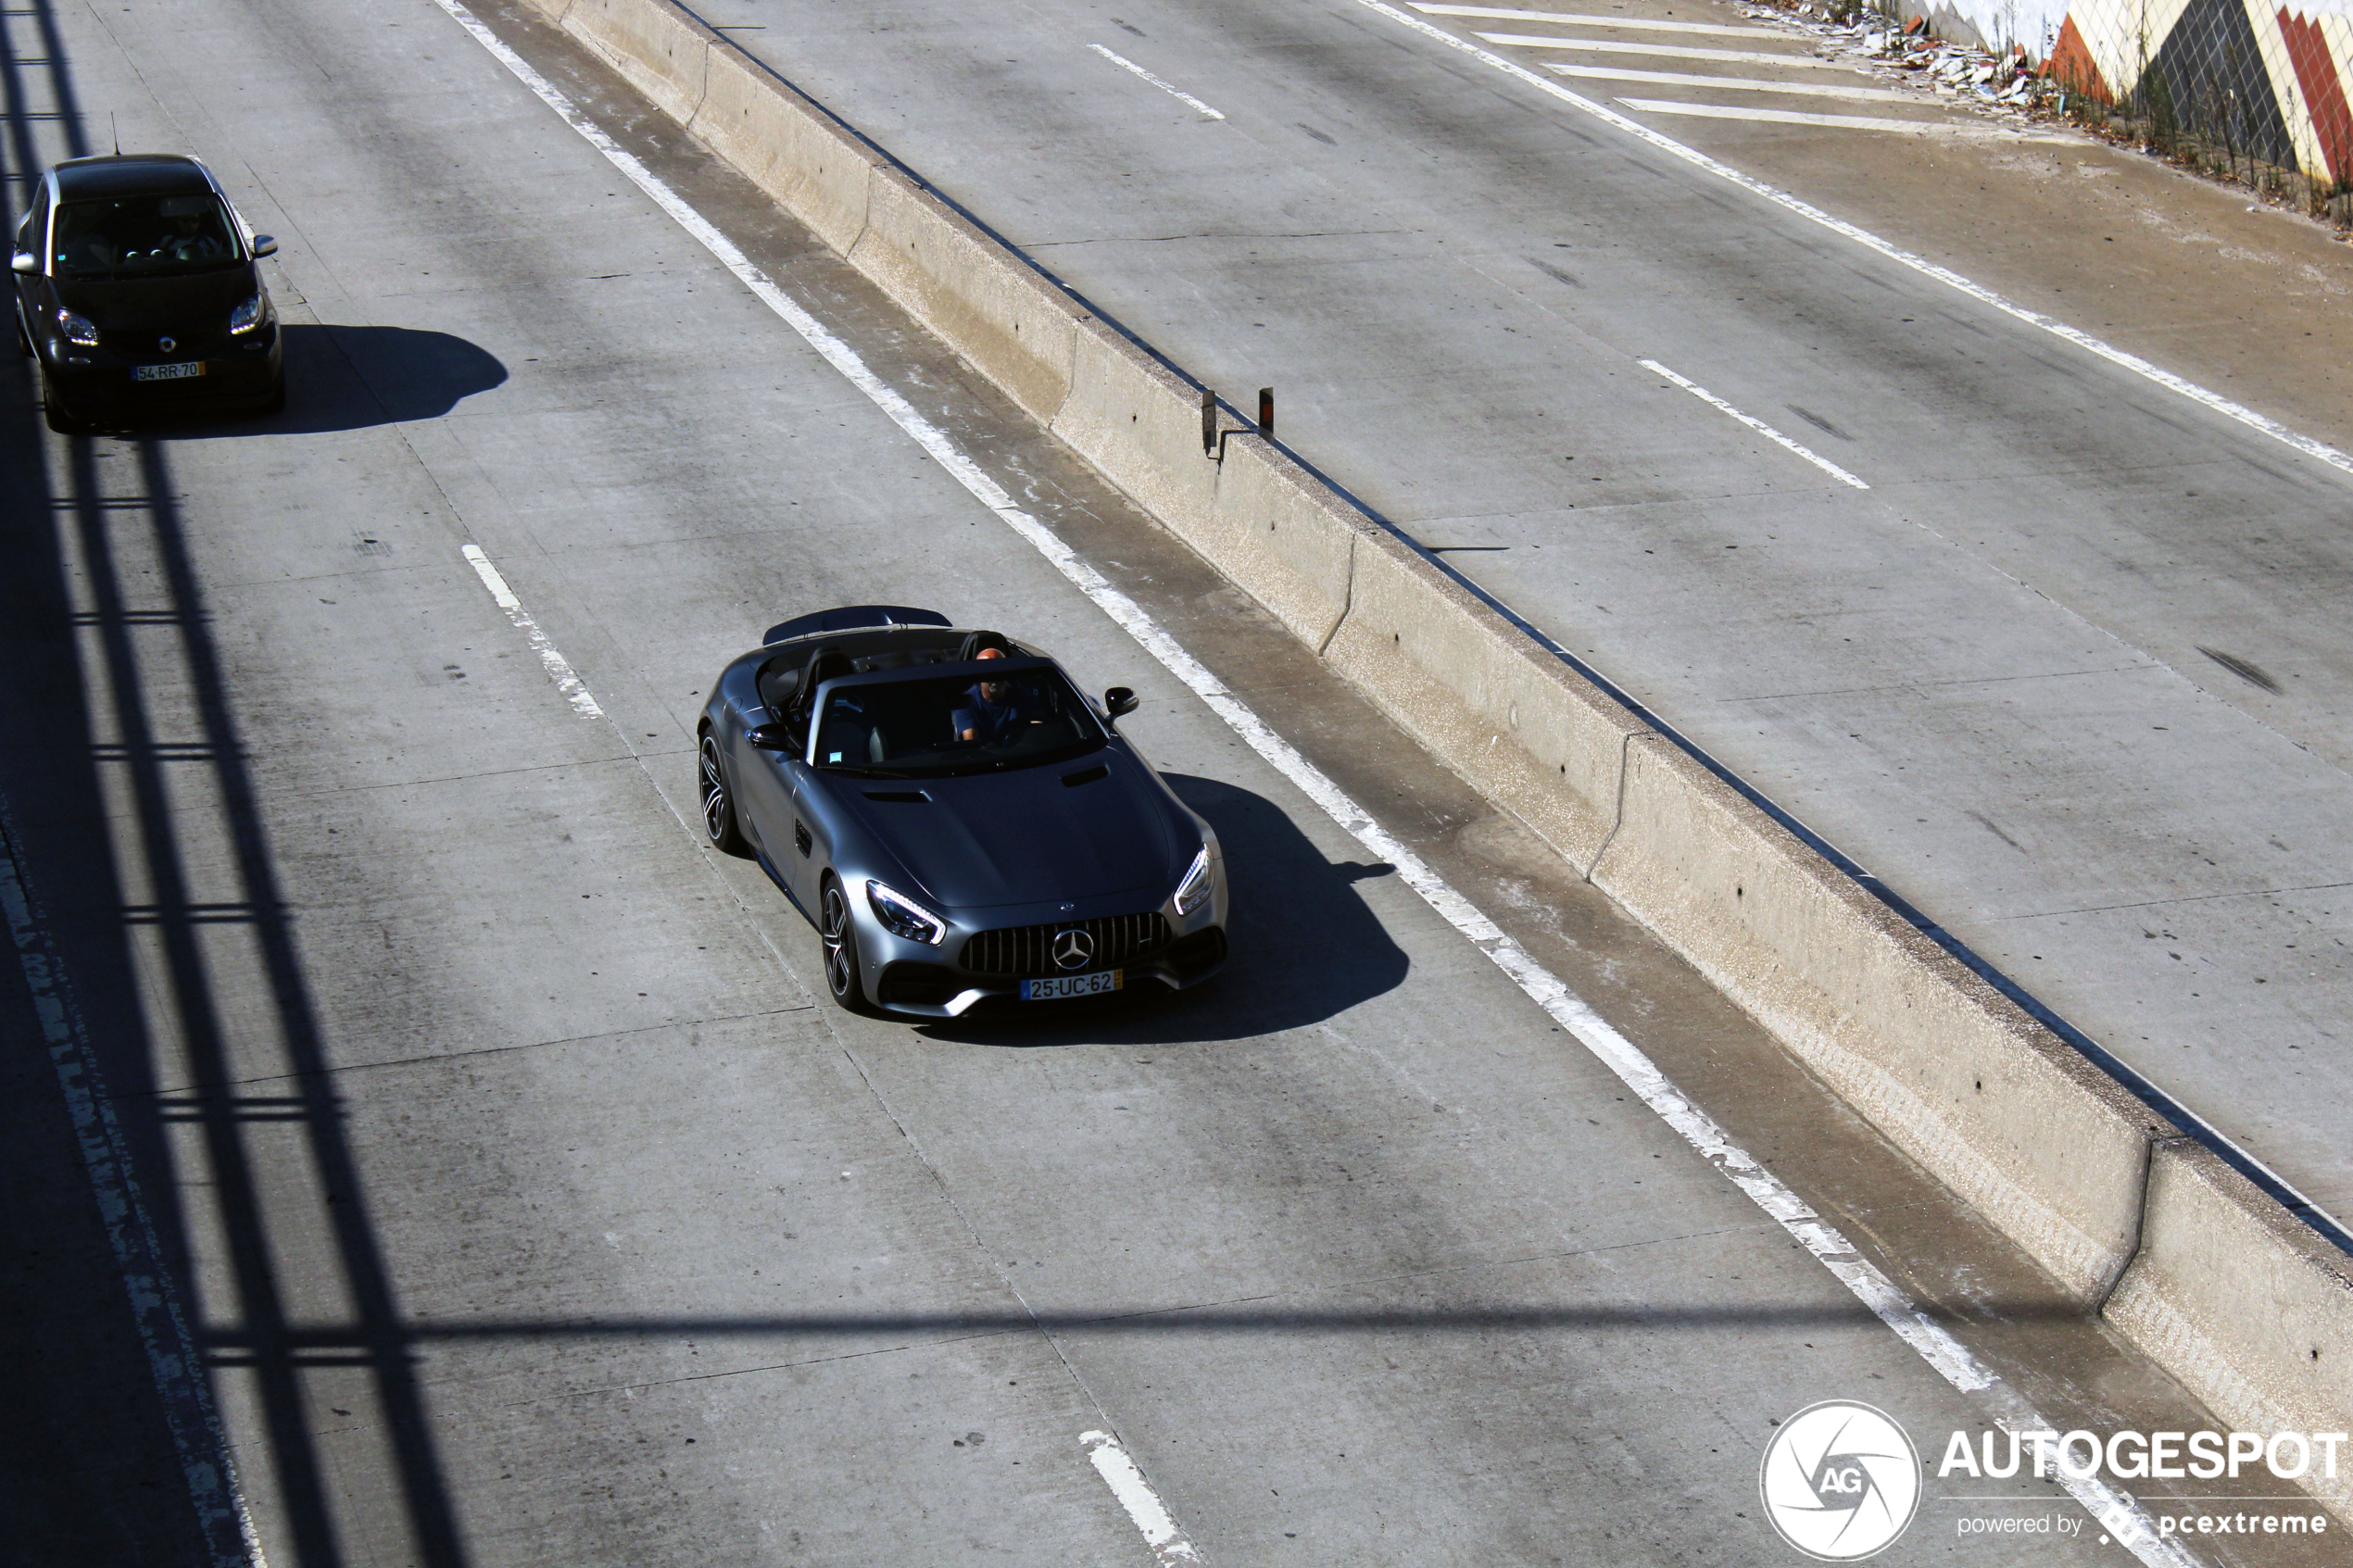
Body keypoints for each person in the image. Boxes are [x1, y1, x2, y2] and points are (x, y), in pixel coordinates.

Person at [953, 646, 1037, 744]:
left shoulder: (1024, 697)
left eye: (1000, 670)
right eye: (988, 671)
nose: (996, 676)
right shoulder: (967, 703)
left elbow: (1037, 733)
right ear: (978, 674)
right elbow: (973, 746)